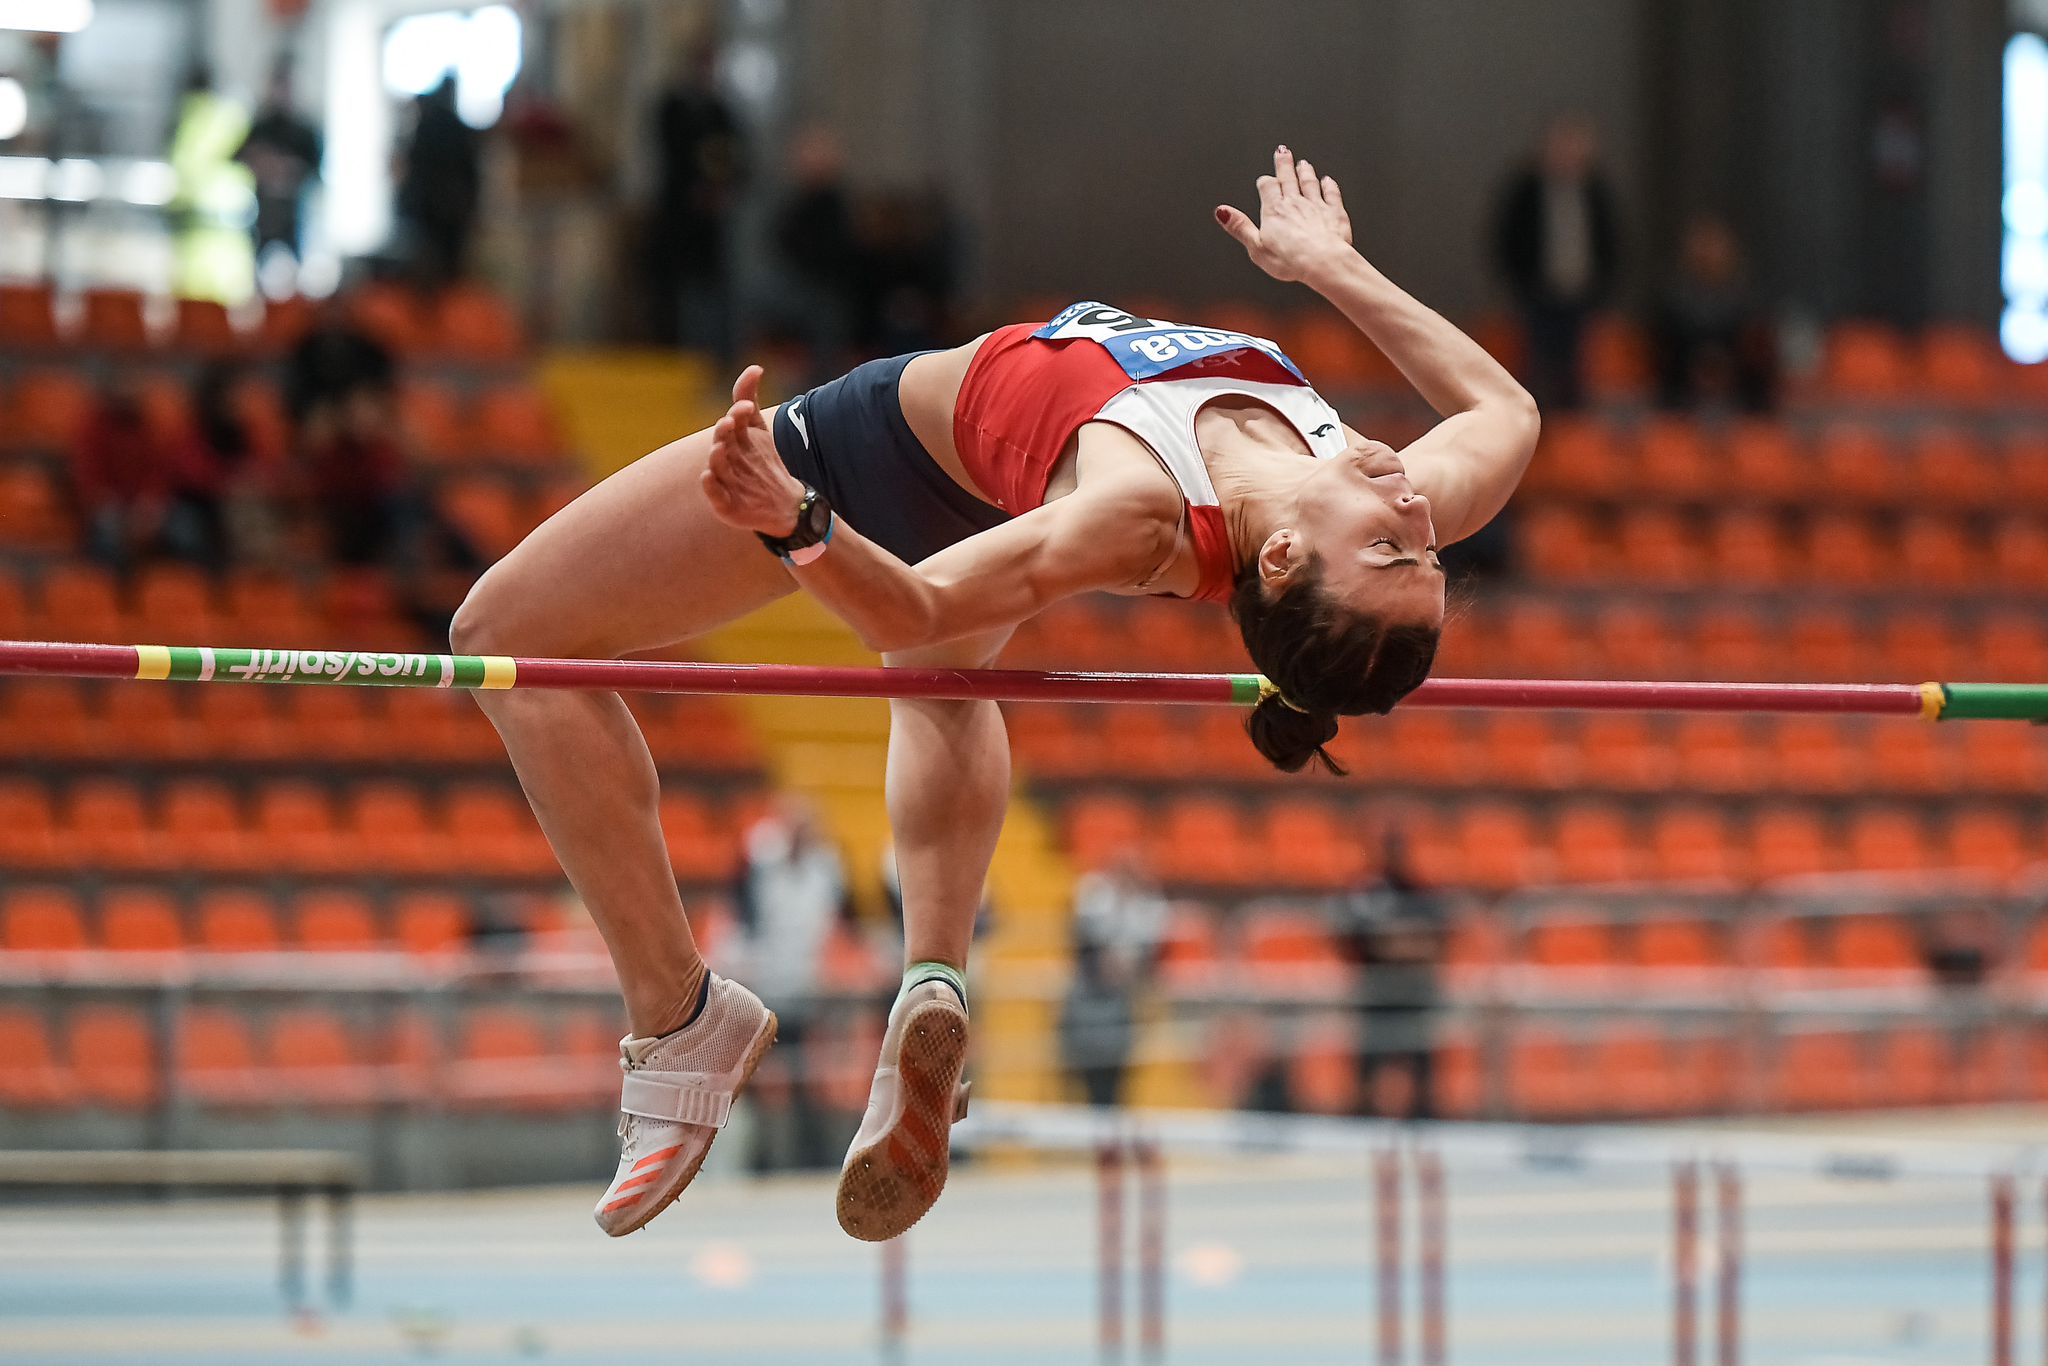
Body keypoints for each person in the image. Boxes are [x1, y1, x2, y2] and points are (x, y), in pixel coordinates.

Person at [452, 146, 1540, 1241]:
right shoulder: (1367, 481)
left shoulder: (1137, 509)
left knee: (503, 633)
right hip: (983, 499)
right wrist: (1328, 266)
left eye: (1390, 550)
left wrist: (797, 521)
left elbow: (911, 610)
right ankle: (931, 980)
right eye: (1425, 553)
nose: (1413, 512)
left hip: (870, 458)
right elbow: (1505, 412)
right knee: (939, 690)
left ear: (1284, 559)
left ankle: (678, 1013)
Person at [731, 796, 856, 1169]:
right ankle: (759, 1158)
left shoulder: (826, 868)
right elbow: (742, 915)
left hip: (804, 985)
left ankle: (807, 1157)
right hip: (762, 986)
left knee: (804, 1074)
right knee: (752, 1074)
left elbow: (848, 917)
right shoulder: (760, 863)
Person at [1491, 114, 1621, 412]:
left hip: (1581, 299)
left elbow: (1613, 245)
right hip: (1536, 299)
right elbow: (1506, 240)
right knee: (1534, 372)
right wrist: (1522, 286)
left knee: (1576, 375)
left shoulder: (1597, 193)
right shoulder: (1526, 192)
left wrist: (1600, 290)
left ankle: (1574, 436)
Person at [1331, 824, 1447, 1120]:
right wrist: (1393, 944)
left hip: (1412, 989)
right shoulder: (1364, 892)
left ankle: (1424, 1116)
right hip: (1376, 988)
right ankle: (1362, 1115)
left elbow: (1435, 939)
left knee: (1421, 1058)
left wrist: (1394, 943)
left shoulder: (1419, 890)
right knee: (1369, 1058)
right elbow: (1352, 937)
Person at [646, 41, 747, 357]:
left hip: (711, 222)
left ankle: (712, 355)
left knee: (714, 293)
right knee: (681, 294)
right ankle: (686, 356)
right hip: (679, 217)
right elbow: (669, 155)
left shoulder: (720, 109)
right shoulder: (673, 107)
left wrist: (722, 189)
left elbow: (736, 156)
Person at [1059, 852, 1170, 1108]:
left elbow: (1149, 951)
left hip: (1121, 1002)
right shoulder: (1094, 893)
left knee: (1114, 1080)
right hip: (1088, 998)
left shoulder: (1148, 905)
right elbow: (1081, 937)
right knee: (1080, 1077)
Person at [1651, 216, 1779, 414]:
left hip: (1739, 384)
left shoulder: (1747, 301)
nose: (1708, 255)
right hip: (1684, 384)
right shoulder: (1673, 302)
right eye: (1702, 247)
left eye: (1714, 247)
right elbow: (1666, 347)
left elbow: (1754, 347)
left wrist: (1724, 366)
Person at [236, 59, 323, 294]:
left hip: (293, 214)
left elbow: (317, 171)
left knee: (298, 278)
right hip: (262, 213)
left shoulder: (303, 130)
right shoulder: (261, 127)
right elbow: (237, 157)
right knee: (256, 278)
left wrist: (290, 170)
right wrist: (261, 163)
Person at [394, 75, 482, 289]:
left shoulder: (429, 125)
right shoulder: (455, 127)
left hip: (431, 208)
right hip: (448, 208)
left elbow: (414, 166)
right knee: (448, 266)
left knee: (432, 260)